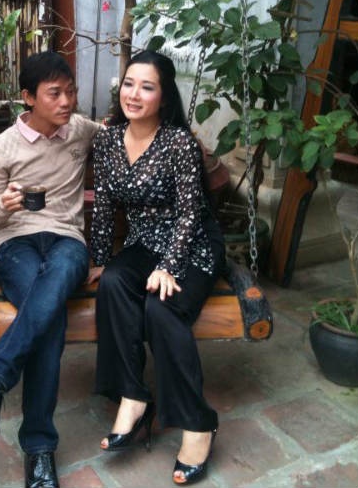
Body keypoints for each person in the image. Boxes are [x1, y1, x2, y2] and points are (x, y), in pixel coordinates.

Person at [87, 50, 226, 486]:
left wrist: (169, 266)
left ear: (163, 97)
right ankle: (132, 397)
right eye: (128, 84)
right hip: (143, 241)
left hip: (192, 244)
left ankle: (198, 424)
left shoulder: (179, 143)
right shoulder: (108, 140)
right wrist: (99, 258)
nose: (133, 94)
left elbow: (190, 213)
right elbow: (104, 204)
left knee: (161, 309)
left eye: (146, 87)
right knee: (113, 283)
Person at [0, 51, 101, 488]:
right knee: (50, 321)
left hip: (67, 240)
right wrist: (2, 206)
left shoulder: (80, 130)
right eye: (54, 94)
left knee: (55, 286)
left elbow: (124, 136)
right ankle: (39, 450)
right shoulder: (2, 147)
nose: (67, 102)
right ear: (28, 97)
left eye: (71, 92)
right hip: (17, 242)